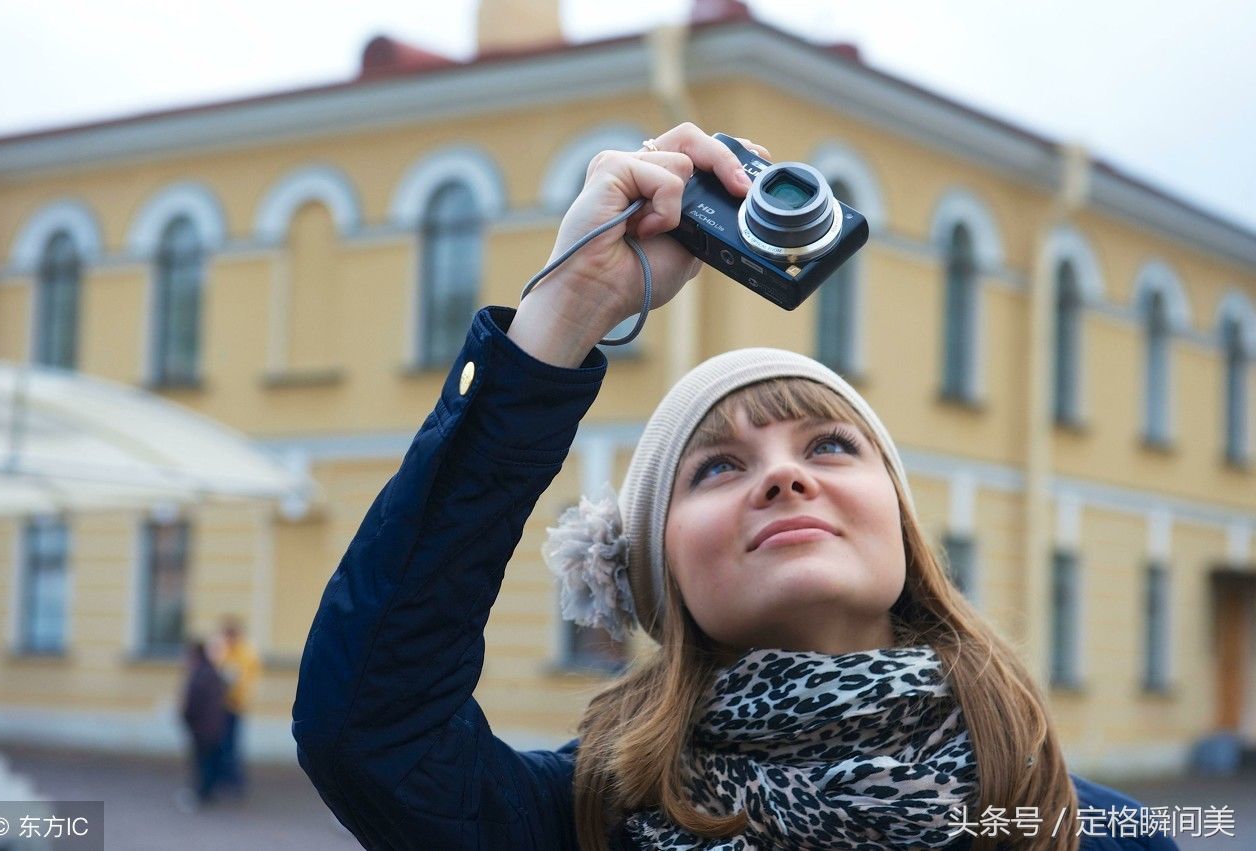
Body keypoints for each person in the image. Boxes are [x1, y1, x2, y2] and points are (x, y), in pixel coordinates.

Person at [292, 123, 1178, 849]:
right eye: (716, 466)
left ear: (900, 528)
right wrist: (565, 310)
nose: (785, 474)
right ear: (656, 568)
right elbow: (369, 730)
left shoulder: (1090, 831)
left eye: (831, 446)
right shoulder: (577, 823)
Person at [177, 639, 228, 810]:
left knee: (203, 762)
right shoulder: (210, 672)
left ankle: (202, 794)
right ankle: (206, 792)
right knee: (207, 761)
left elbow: (193, 703)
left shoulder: (200, 674)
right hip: (210, 726)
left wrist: (186, 718)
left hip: (203, 727)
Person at [214, 615, 261, 797]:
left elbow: (243, 681)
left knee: (231, 745)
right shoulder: (226, 651)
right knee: (223, 745)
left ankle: (235, 783)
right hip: (222, 706)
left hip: (234, 705)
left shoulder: (245, 653)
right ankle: (226, 779)